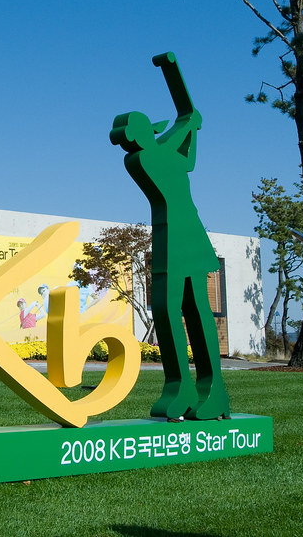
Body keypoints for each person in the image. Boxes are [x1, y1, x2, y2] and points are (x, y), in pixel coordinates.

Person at [109, 52, 229, 421]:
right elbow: (180, 133)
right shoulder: (145, 159)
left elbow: (188, 157)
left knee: (196, 311)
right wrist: (188, 119)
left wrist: (189, 124)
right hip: (172, 240)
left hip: (186, 238)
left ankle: (213, 389)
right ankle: (181, 387)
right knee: (166, 309)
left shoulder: (164, 155)